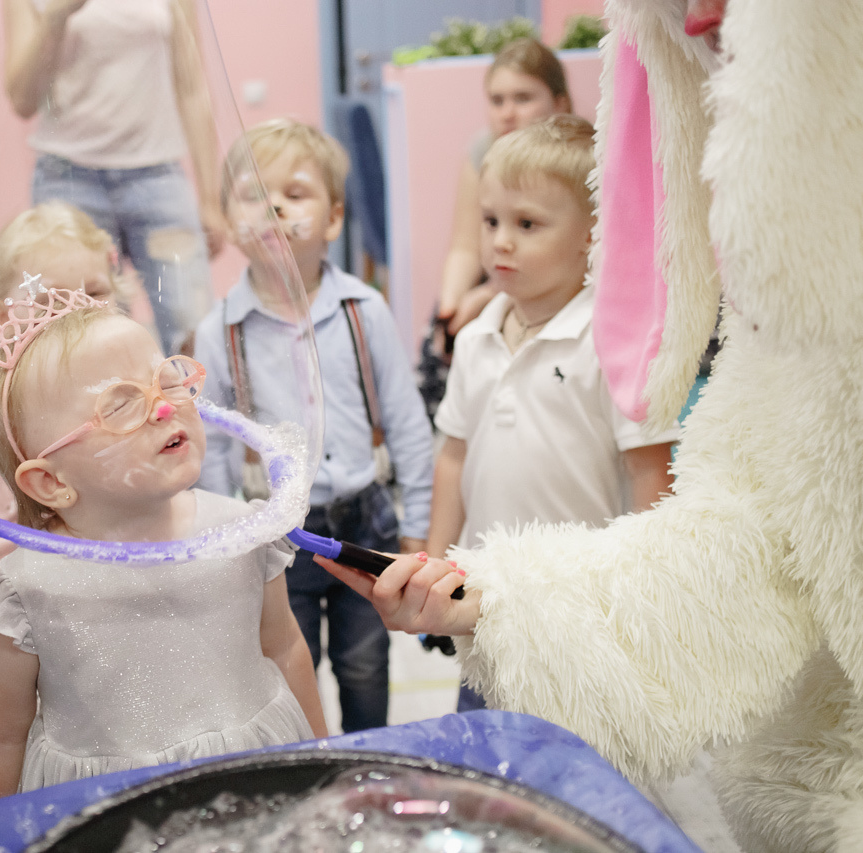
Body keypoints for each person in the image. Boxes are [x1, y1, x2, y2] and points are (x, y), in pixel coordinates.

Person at [323, 2, 863, 849]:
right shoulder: (782, 359)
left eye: (530, 224)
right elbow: (727, 561)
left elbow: (656, 492)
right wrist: (483, 598)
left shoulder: (620, 357)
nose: (701, 19)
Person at [0, 291, 326, 795]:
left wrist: (321, 763)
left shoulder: (241, 532)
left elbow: (286, 649)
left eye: (169, 380)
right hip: (110, 803)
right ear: (51, 483)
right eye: (120, 405)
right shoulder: (25, 590)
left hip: (254, 773)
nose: (162, 407)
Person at [194, 118, 433, 733]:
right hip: (274, 534)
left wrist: (419, 525)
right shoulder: (219, 330)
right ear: (229, 219)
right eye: (254, 194)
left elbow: (407, 421)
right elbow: (216, 446)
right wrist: (226, 537)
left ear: (332, 219)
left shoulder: (364, 312)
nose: (273, 207)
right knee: (288, 663)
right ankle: (313, 764)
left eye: (294, 193)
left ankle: (368, 761)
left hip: (364, 516)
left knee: (364, 663)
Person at [430, 115, 676, 711]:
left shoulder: (612, 342)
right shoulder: (475, 337)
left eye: (527, 224)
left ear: (591, 233)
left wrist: (642, 593)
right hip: (484, 604)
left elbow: (651, 473)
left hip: (581, 610)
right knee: (490, 754)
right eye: (490, 222)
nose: (500, 242)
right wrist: (433, 563)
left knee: (583, 765)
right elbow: (453, 457)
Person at [2, 0, 226, 353]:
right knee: (81, 336)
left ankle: (194, 410)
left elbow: (192, 87)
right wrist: (57, 16)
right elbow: (21, 99)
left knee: (191, 327)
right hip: (68, 180)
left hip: (159, 177)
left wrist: (211, 199)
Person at [420, 38, 572, 416]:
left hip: (551, 283)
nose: (508, 113)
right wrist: (451, 310)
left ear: (560, 103)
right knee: (438, 336)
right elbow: (465, 246)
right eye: (497, 100)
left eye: (523, 98)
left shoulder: (575, 159)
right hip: (501, 275)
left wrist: (493, 294)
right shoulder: (482, 151)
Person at [0, 201, 127, 529]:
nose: (80, 311)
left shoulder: (130, 374)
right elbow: (0, 528)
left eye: (95, 292)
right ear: (3, 317)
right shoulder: (10, 410)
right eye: (52, 301)